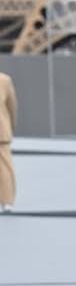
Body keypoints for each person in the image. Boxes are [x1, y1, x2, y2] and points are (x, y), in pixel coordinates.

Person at [0, 71, 17, 212]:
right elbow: (12, 107)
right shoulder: (4, 80)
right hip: (1, 131)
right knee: (5, 167)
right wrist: (11, 126)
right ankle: (7, 202)